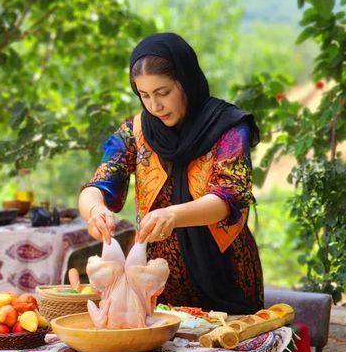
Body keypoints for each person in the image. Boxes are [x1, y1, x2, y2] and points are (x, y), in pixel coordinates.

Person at [78, 32, 263, 314]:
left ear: (186, 82)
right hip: (154, 285)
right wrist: (95, 211)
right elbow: (98, 184)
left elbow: (228, 199)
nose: (155, 106)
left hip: (226, 275)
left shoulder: (227, 127)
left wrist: (172, 214)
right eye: (145, 95)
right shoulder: (135, 131)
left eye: (163, 93)